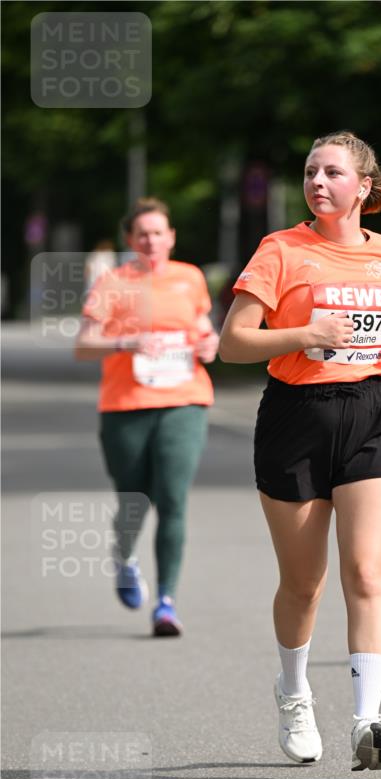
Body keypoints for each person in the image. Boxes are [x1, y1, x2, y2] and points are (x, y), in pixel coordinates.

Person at [220, 131, 381, 771]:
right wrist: (304, 333)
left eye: (332, 173)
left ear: (363, 187)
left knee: (366, 573)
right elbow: (233, 343)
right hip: (297, 417)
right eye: (310, 172)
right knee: (304, 584)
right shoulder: (280, 250)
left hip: (374, 410)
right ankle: (294, 693)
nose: (318, 183)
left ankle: (369, 719)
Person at [74, 197, 219, 636]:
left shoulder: (190, 278)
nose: (152, 240)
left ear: (171, 237)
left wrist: (210, 344)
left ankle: (166, 602)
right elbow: (83, 345)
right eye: (143, 234)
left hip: (184, 400)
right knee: (133, 500)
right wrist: (128, 343)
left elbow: (204, 329)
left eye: (159, 232)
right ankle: (125, 557)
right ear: (130, 240)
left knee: (173, 499)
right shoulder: (113, 283)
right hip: (126, 406)